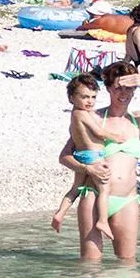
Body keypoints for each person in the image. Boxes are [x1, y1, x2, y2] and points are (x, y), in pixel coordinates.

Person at [59, 61, 140, 261]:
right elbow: (64, 157)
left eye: (129, 88)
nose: (123, 93)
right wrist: (87, 168)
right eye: (118, 88)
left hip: (127, 201)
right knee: (90, 267)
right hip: (94, 196)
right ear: (108, 88)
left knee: (127, 264)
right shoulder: (92, 118)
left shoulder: (139, 120)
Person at [51, 74, 116, 239]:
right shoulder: (82, 114)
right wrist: (116, 137)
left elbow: (76, 136)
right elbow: (99, 132)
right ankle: (102, 220)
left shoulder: (73, 115)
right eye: (85, 97)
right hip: (93, 156)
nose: (90, 101)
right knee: (104, 188)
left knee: (75, 189)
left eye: (93, 97)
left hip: (80, 155)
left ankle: (60, 214)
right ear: (72, 98)